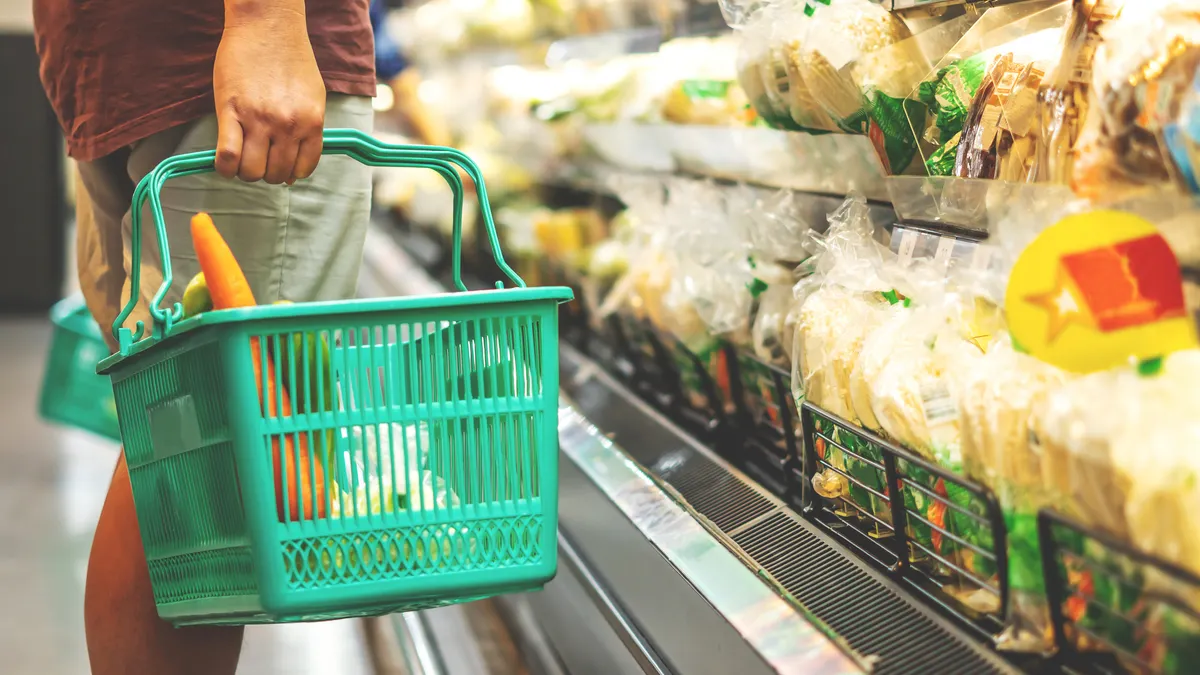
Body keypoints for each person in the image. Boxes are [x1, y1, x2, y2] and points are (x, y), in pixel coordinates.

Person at [33, 0, 376, 672]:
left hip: (115, 56)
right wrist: (264, 22)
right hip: (224, 56)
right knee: (206, 463)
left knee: (167, 434)